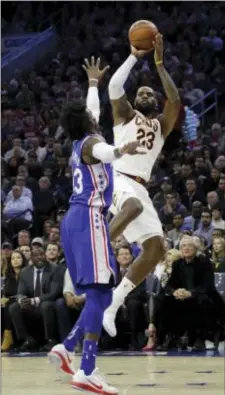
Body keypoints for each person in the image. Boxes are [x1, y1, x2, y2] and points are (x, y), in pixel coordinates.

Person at [48, 57, 142, 395]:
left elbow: (92, 116)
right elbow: (104, 149)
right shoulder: (91, 144)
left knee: (98, 294)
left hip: (75, 221)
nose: (95, 115)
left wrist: (92, 85)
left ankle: (68, 347)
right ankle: (85, 369)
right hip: (89, 219)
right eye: (92, 115)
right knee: (102, 292)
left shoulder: (77, 142)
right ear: (86, 122)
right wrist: (121, 149)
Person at [103, 33, 180, 337]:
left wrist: (159, 64)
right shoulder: (125, 115)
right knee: (132, 206)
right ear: (135, 101)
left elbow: (174, 100)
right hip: (119, 178)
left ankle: (113, 302)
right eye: (143, 92)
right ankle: (97, 246)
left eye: (151, 93)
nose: (147, 95)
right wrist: (135, 56)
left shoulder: (160, 125)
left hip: (140, 187)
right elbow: (113, 87)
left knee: (157, 247)